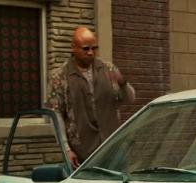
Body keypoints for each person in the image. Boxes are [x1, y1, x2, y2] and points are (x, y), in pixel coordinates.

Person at [46, 26, 135, 168]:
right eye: (85, 48)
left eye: (94, 48)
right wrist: (66, 149)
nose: (90, 53)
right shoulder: (60, 77)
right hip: (83, 151)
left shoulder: (108, 69)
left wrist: (123, 84)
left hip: (112, 146)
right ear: (73, 48)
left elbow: (130, 99)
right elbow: (55, 115)